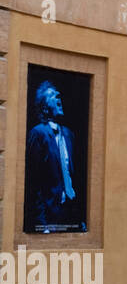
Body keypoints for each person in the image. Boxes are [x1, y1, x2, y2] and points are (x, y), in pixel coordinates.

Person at [25, 81, 81, 232]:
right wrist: (41, 224)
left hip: (71, 215)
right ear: (44, 107)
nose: (58, 97)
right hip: (50, 218)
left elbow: (75, 176)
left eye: (59, 95)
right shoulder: (38, 134)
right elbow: (33, 183)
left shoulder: (69, 134)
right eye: (52, 96)